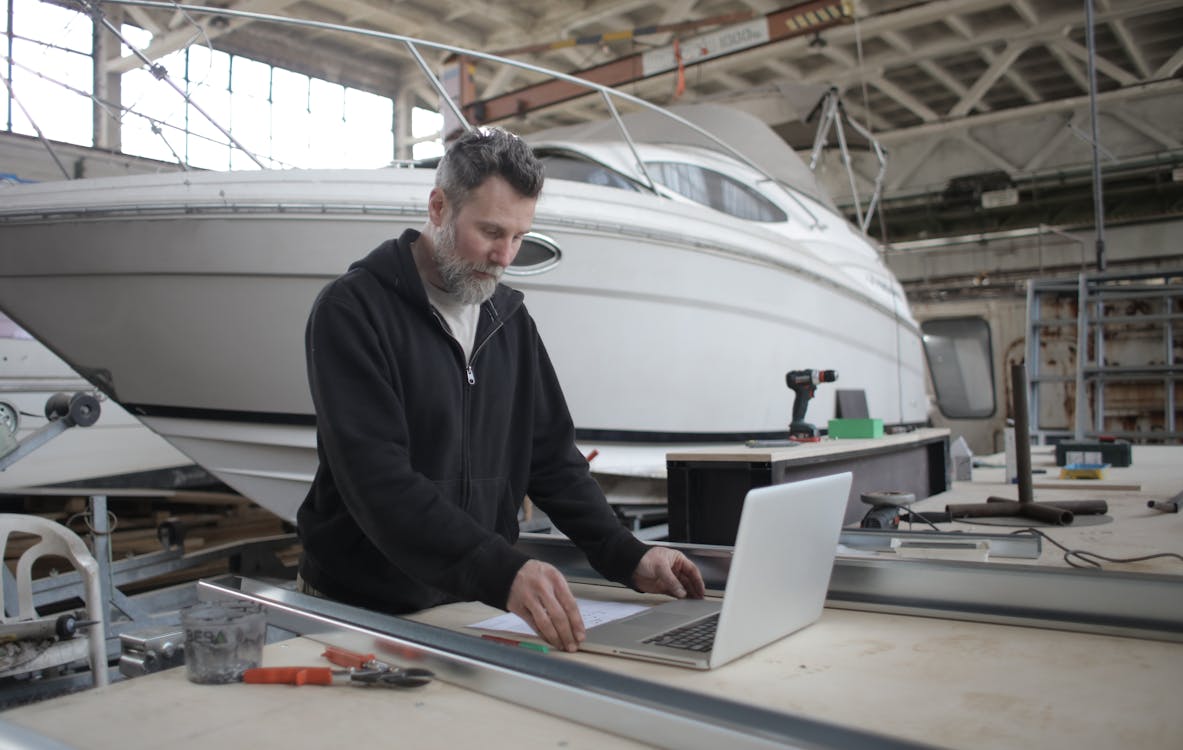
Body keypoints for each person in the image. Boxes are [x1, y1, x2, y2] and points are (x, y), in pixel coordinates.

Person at [296, 127, 705, 652]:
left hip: (468, 607)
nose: (505, 255)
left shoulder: (509, 321)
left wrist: (627, 554)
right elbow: (379, 482)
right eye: (491, 232)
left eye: (519, 236)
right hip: (357, 608)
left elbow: (552, 460)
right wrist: (501, 570)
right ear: (439, 207)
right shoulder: (353, 311)